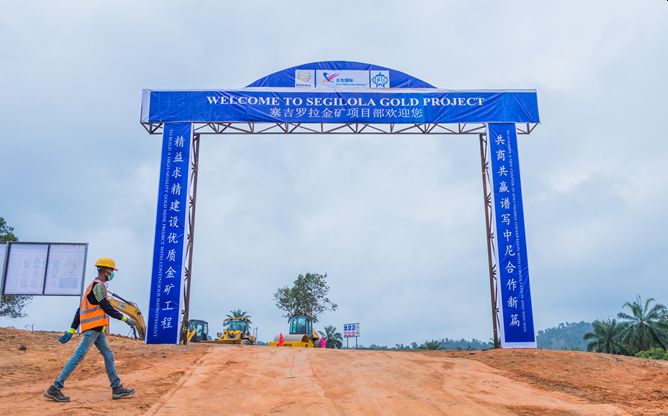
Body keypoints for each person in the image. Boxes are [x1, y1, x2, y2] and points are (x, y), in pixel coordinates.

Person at [44, 257, 137, 402]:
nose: (112, 273)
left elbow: (80, 309)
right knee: (79, 356)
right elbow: (106, 307)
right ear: (106, 271)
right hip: (92, 330)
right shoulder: (98, 286)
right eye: (112, 270)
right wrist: (126, 319)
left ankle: (117, 388)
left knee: (108, 355)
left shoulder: (93, 287)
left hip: (97, 331)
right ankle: (55, 387)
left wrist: (72, 330)